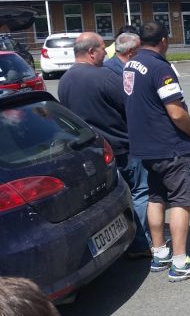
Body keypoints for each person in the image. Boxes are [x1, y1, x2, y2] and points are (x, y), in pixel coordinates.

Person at [123, 21, 190, 282]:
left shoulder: (130, 64)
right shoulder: (160, 67)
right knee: (180, 200)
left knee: (156, 197)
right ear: (163, 40)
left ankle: (160, 252)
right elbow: (175, 111)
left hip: (146, 147)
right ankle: (180, 261)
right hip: (170, 146)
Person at [57, 31, 151, 258]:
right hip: (123, 147)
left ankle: (123, 239)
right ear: (91, 52)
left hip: (95, 152)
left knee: (112, 197)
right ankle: (142, 243)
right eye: (102, 48)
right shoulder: (104, 76)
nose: (105, 52)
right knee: (140, 192)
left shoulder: (64, 80)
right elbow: (131, 107)